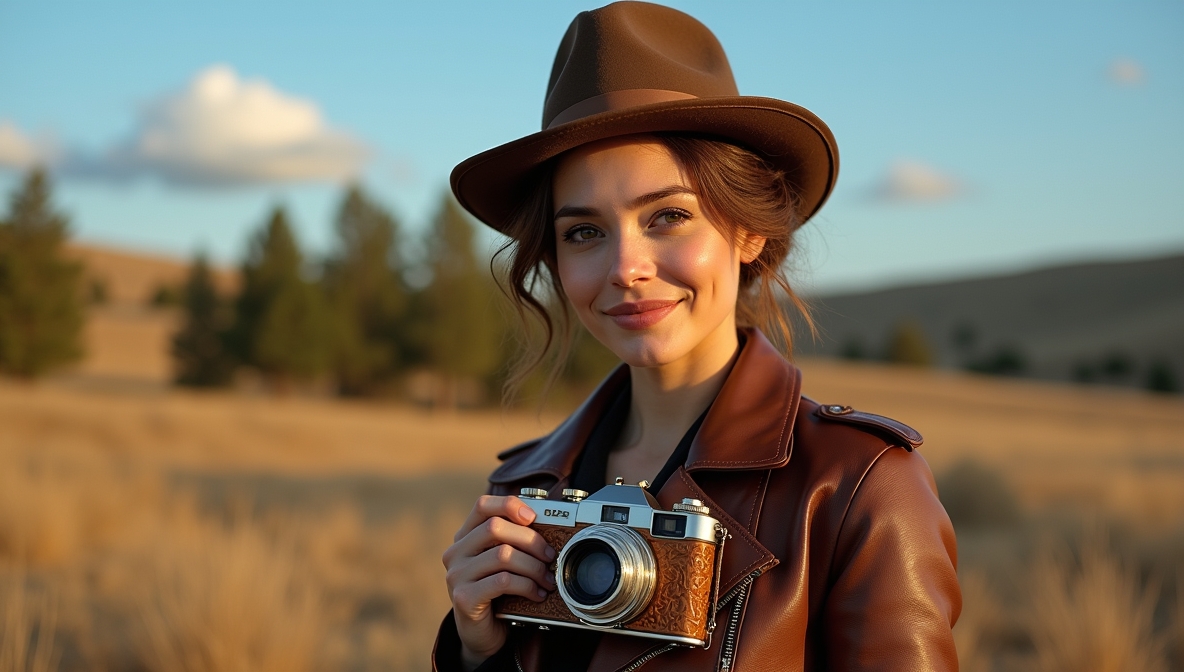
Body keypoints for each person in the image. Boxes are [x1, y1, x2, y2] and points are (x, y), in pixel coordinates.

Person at [435, 3, 961, 670]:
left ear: (749, 231)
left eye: (668, 216)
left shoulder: (857, 487)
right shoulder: (525, 487)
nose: (626, 268)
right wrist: (478, 654)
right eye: (584, 232)